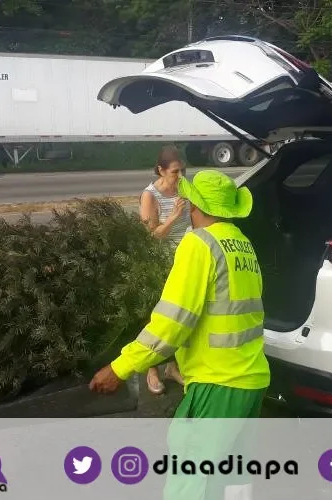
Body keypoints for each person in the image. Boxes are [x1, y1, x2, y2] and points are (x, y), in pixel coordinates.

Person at [90, 170, 270, 500]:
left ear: (194, 206)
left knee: (189, 478)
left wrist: (120, 368)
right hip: (251, 380)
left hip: (219, 383)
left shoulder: (199, 244)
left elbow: (171, 323)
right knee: (233, 479)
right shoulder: (243, 246)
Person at [139, 145, 190, 394]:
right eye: (174, 172)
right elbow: (152, 237)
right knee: (159, 315)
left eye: (182, 171)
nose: (179, 177)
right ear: (160, 170)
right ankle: (152, 369)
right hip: (161, 259)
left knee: (179, 313)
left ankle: (172, 366)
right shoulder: (150, 196)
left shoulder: (184, 187)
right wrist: (173, 216)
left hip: (186, 256)